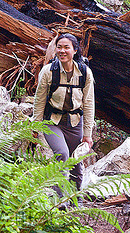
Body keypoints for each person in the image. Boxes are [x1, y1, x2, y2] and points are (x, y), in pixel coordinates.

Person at [33, 33, 95, 193]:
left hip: (75, 123)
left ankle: (75, 198)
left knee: (76, 162)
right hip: (52, 122)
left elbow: (88, 104)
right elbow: (39, 100)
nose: (62, 51)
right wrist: (34, 125)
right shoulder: (48, 72)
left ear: (75, 50)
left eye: (66, 47)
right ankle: (57, 198)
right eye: (59, 47)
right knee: (62, 153)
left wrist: (87, 134)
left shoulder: (85, 73)